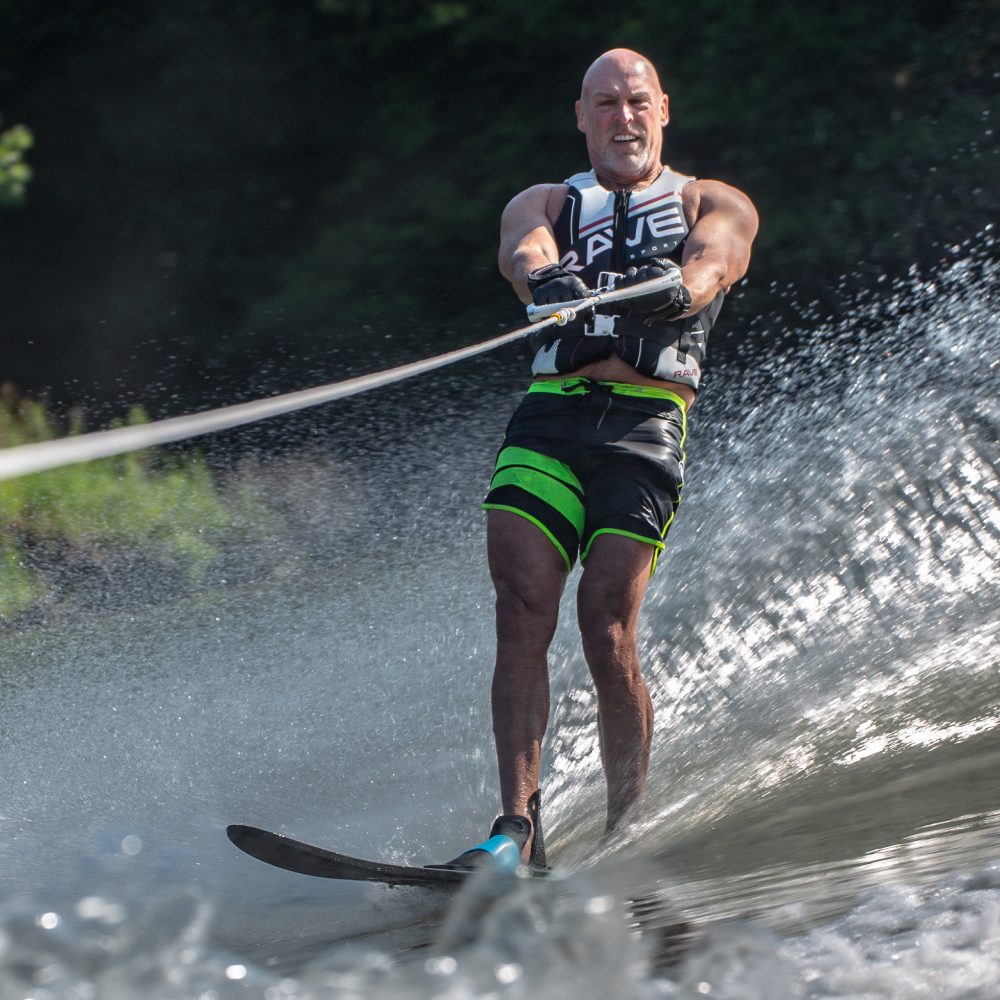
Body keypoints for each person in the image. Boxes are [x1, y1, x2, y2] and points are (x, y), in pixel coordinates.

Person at [440, 49, 757, 873]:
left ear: (663, 110)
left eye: (637, 101)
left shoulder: (709, 201)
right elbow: (525, 250)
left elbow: (716, 260)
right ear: (581, 116)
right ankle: (516, 830)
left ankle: (625, 827)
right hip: (551, 419)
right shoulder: (544, 201)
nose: (623, 116)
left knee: (606, 622)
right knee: (520, 607)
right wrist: (544, 280)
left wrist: (679, 291)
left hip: (646, 425)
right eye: (605, 103)